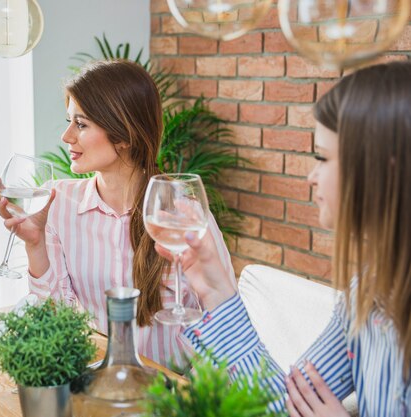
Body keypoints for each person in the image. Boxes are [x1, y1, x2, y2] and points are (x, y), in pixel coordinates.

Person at [166, 61, 411, 415]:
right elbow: (285, 406)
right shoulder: (369, 294)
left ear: (381, 169)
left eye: (322, 157)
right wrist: (216, 291)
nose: (312, 176)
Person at [0, 60, 235, 368]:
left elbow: (226, 319)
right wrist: (34, 244)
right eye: (69, 121)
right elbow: (55, 322)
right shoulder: (58, 201)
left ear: (123, 135)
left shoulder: (182, 213)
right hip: (98, 384)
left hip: (169, 392)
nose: (66, 137)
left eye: (81, 124)